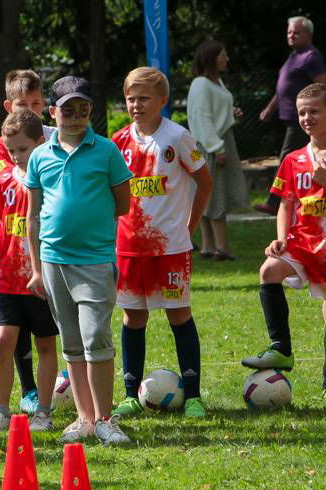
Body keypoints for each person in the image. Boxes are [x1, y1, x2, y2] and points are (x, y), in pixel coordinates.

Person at [242, 83, 326, 405]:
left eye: (314, 111)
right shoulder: (293, 159)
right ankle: (281, 349)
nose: (307, 118)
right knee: (269, 270)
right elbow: (286, 203)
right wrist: (281, 237)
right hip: (300, 242)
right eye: (301, 112)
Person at [24, 76, 133, 445]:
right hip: (54, 262)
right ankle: (85, 418)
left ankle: (105, 418)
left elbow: (123, 203)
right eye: (67, 109)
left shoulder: (106, 151)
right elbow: (33, 216)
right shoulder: (39, 156)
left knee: (95, 337)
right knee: (71, 341)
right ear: (52, 112)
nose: (75, 116)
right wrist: (37, 268)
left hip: (96, 259)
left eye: (83, 109)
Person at [111, 67, 213, 419]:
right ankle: (129, 393)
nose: (136, 105)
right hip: (128, 247)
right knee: (132, 316)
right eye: (130, 98)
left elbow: (205, 182)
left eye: (144, 98)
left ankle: (195, 395)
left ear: (162, 101)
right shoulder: (118, 141)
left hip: (170, 247)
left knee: (178, 314)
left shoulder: (178, 137)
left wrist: (191, 226)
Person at [0, 110, 58, 436]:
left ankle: (43, 410)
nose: (16, 156)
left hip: (43, 276)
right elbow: (0, 225)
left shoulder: (51, 178)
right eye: (11, 150)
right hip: (11, 276)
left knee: (45, 345)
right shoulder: (6, 180)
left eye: (23, 149)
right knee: (3, 341)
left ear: (40, 143)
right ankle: (1, 411)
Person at [256, 16, 326, 215]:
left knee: (287, 159)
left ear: (308, 34)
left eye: (296, 32)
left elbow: (322, 85)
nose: (291, 35)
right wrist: (270, 109)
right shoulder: (293, 57)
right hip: (289, 118)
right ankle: (300, 197)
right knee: (298, 160)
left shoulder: (311, 56)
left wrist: (321, 112)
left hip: (304, 120)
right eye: (289, 32)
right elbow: (283, 88)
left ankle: (274, 202)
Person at [187, 40, 248, 260]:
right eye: (223, 54)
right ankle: (221, 248)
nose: (227, 58)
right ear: (212, 58)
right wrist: (216, 147)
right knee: (215, 194)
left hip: (218, 141)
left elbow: (212, 111)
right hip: (211, 145)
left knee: (208, 195)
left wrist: (230, 112)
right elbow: (201, 118)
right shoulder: (201, 84)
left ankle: (208, 246)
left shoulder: (215, 82)